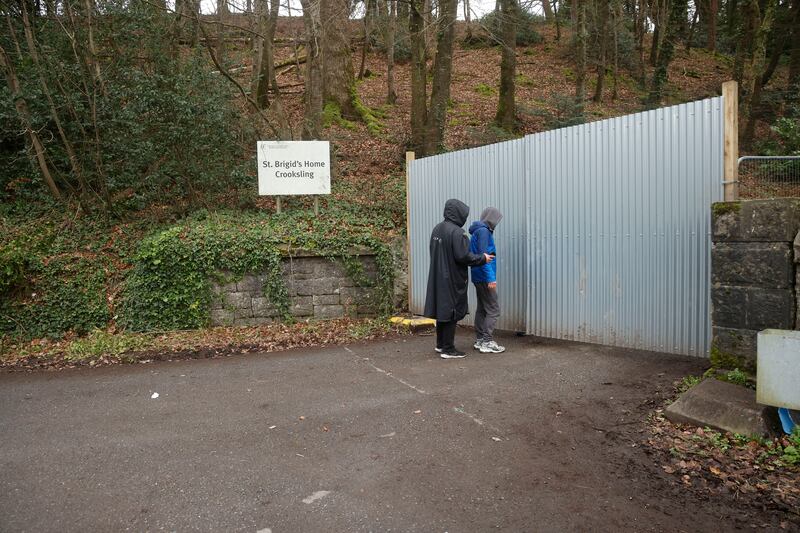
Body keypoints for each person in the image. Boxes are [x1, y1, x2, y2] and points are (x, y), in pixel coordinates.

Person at [424, 199, 493, 359]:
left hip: (438, 276)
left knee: (442, 310)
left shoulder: (437, 229)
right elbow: (463, 256)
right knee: (451, 312)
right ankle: (448, 349)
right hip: (452, 279)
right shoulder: (457, 232)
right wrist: (482, 258)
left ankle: (441, 345)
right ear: (458, 214)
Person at [469, 207, 505, 354]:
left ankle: (480, 339)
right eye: (496, 219)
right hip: (484, 276)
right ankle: (487, 341)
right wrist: (491, 278)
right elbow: (485, 257)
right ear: (491, 218)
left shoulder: (478, 230)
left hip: (478, 276)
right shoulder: (484, 231)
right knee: (494, 309)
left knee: (483, 308)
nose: (496, 223)